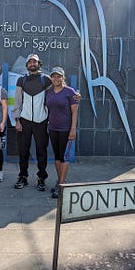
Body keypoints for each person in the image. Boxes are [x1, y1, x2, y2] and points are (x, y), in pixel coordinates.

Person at [12, 54, 53, 191]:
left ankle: (42, 178)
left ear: (39, 64)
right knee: (23, 151)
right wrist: (17, 120)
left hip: (42, 121)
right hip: (24, 120)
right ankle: (22, 177)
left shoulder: (46, 80)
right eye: (30, 61)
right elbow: (17, 102)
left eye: (34, 61)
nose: (32, 63)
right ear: (27, 65)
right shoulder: (21, 80)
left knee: (41, 150)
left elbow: (53, 98)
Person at [45, 66, 79, 198]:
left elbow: (74, 112)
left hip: (66, 129)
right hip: (53, 128)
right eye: (54, 76)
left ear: (63, 78)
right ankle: (60, 181)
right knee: (57, 156)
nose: (56, 79)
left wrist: (73, 129)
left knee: (64, 157)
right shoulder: (49, 92)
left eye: (59, 76)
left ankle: (61, 184)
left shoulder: (70, 92)